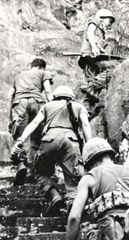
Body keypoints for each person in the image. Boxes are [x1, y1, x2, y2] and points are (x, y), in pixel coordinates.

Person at [11, 86, 92, 216]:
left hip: (50, 140)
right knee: (74, 179)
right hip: (71, 142)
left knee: (40, 172)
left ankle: (53, 194)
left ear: (55, 96)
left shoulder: (48, 106)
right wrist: (90, 146)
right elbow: (86, 125)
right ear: (71, 96)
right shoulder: (78, 106)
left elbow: (34, 123)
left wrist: (21, 140)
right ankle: (72, 210)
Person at [7, 58, 53, 185]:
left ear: (32, 66)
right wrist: (54, 107)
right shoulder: (44, 73)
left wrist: (10, 118)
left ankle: (21, 163)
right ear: (42, 67)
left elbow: (10, 96)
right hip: (37, 102)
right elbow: (48, 91)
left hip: (19, 103)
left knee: (19, 135)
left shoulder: (18, 76)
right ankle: (33, 170)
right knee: (36, 138)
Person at [78, 8, 118, 115]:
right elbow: (90, 34)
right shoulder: (95, 21)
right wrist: (94, 47)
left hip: (93, 60)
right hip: (89, 57)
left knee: (93, 86)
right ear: (103, 18)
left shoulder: (101, 32)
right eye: (109, 21)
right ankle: (89, 88)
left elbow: (97, 42)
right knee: (113, 67)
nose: (109, 24)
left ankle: (87, 110)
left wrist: (101, 50)